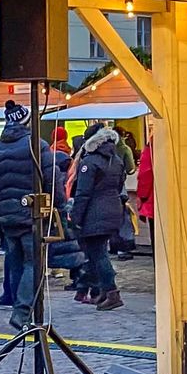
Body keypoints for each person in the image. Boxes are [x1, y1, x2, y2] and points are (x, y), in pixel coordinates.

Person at [0, 100, 62, 330]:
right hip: (31, 213)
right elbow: (51, 179)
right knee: (33, 262)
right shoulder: (37, 146)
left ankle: (20, 305)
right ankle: (23, 310)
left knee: (15, 261)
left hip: (6, 215)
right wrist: (59, 207)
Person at [68, 124, 126, 311]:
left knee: (98, 254)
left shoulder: (90, 162)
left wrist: (75, 217)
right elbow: (119, 185)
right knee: (99, 252)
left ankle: (111, 292)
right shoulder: (116, 159)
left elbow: (83, 193)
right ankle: (101, 291)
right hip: (113, 208)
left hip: (95, 212)